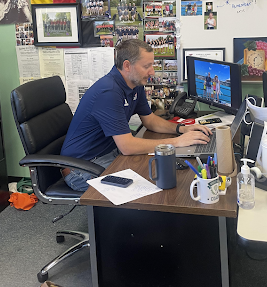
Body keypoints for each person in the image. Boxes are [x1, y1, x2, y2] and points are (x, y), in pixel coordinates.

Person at [61, 40, 212, 191]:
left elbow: (150, 121)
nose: (152, 72)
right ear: (127, 66)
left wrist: (181, 129)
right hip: (81, 169)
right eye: (147, 66)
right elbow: (127, 146)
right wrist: (177, 142)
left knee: (158, 170)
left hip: (108, 153)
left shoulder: (135, 84)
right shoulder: (108, 92)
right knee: (151, 182)